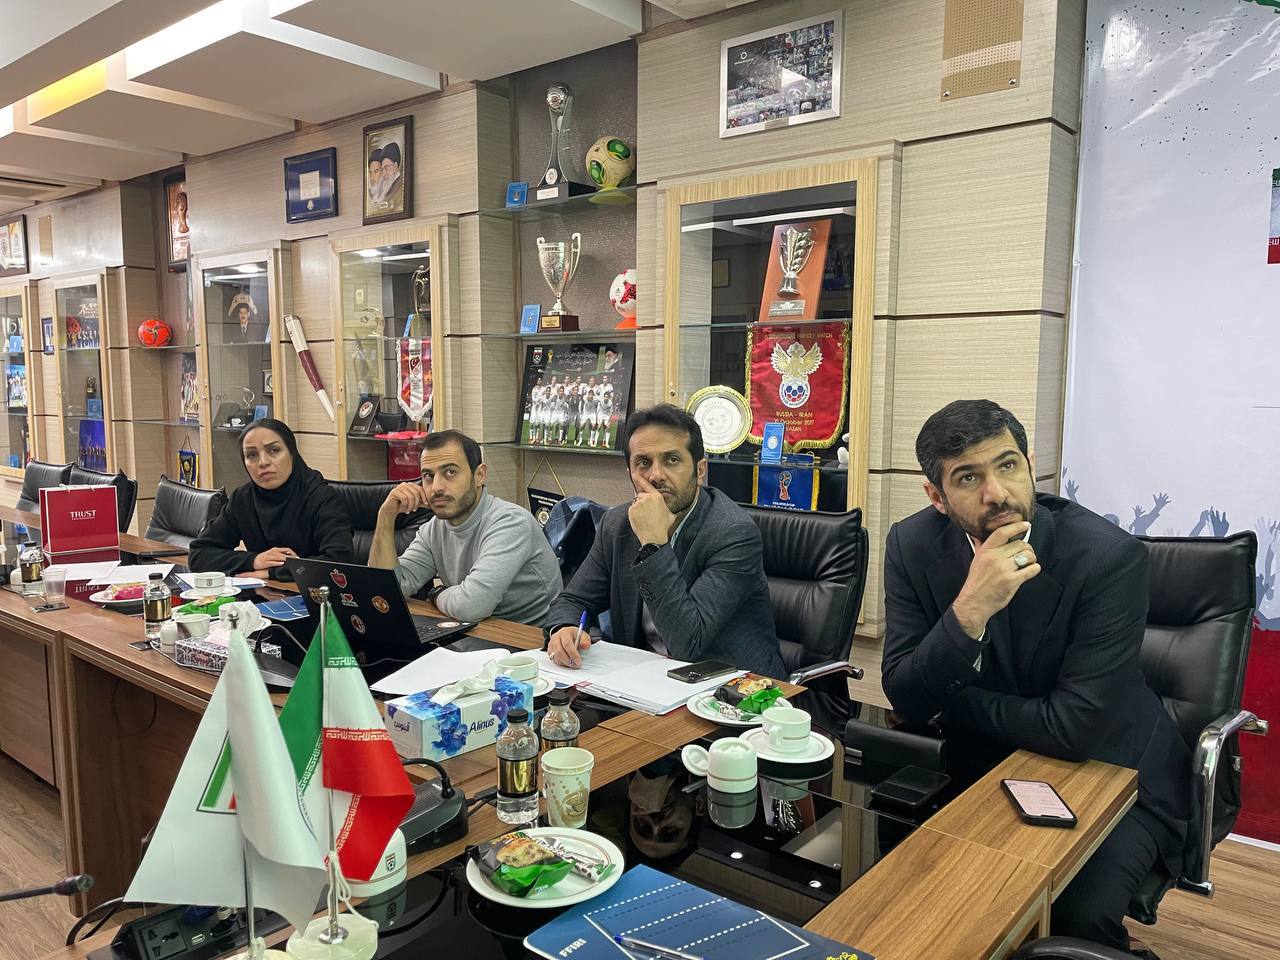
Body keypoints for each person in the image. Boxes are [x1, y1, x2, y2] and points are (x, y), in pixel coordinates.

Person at [881, 399, 1191, 951]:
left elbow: (1072, 728)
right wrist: (969, 610)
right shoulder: (911, 545)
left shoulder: (1106, 557)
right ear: (936, 497)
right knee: (902, 871)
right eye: (968, 478)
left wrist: (950, 701)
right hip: (984, 760)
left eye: (1007, 466)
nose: (996, 493)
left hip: (1113, 771)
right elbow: (903, 692)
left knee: (1071, 913)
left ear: (1030, 464)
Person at [545, 404, 785, 678]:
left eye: (672, 460)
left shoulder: (733, 533)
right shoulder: (617, 524)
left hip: (731, 686)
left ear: (700, 470)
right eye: (643, 463)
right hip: (644, 681)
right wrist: (563, 628)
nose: (656, 475)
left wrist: (653, 545)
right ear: (630, 472)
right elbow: (573, 600)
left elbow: (687, 643)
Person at [369, 429, 560, 625]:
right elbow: (385, 590)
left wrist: (437, 593)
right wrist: (385, 517)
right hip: (474, 630)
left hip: (527, 637)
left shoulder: (511, 522)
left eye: (450, 472)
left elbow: (470, 606)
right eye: (428, 476)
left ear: (479, 476)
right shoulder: (435, 528)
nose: (436, 487)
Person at [188, 419, 354, 577]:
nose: (263, 462)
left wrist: (275, 572)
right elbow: (199, 554)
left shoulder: (322, 498)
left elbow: (340, 561)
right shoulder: (243, 499)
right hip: (263, 592)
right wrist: (255, 560)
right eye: (252, 455)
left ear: (292, 453)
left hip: (317, 594)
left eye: (274, 450)